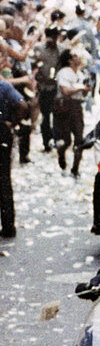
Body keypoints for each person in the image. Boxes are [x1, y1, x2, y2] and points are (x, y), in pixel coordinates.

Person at [54, 49, 88, 178]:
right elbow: (65, 91)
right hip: (65, 107)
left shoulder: (80, 74)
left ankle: (75, 168)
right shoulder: (63, 73)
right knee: (67, 140)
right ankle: (61, 153)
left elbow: (83, 94)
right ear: (70, 60)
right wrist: (80, 88)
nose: (78, 57)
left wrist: (86, 90)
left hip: (77, 107)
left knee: (79, 139)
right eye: (74, 56)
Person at [0, 72, 25, 238]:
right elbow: (23, 105)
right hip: (2, 133)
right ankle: (9, 226)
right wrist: (13, 123)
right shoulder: (4, 86)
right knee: (3, 180)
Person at [33, 25, 61, 151]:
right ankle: (46, 142)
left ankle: (55, 140)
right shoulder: (39, 48)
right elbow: (33, 66)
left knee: (56, 115)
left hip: (56, 87)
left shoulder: (61, 50)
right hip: (43, 87)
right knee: (45, 116)